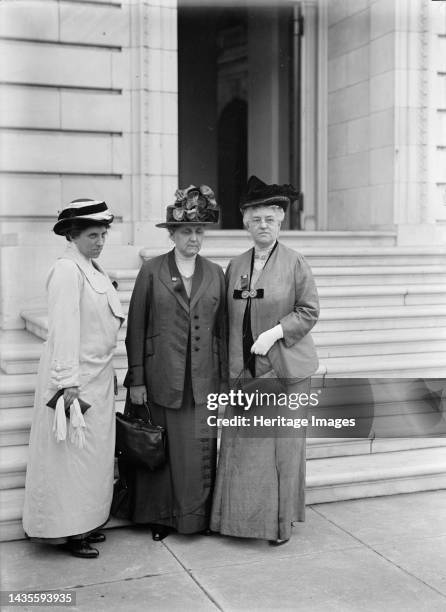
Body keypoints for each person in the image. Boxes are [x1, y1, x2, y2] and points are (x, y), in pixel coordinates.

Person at [211, 176, 320, 545]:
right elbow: (226, 318)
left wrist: (276, 332)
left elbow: (309, 310)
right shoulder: (235, 264)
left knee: (282, 447)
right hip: (244, 372)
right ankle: (237, 521)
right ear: (245, 222)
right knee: (242, 445)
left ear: (280, 223)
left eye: (270, 220)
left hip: (285, 371)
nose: (263, 226)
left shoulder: (295, 263)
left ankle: (279, 523)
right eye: (256, 219)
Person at [120, 184, 226, 540]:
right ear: (173, 234)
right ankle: (161, 517)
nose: (193, 238)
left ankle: (195, 518)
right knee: (160, 452)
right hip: (161, 376)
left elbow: (222, 334)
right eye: (186, 231)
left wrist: (224, 385)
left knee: (197, 453)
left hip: (203, 379)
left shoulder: (216, 273)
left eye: (199, 232)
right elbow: (135, 327)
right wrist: (136, 379)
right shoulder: (152, 271)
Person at [22, 199, 124, 558]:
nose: (99, 241)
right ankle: (67, 530)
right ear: (72, 235)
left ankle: (87, 522)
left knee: (92, 460)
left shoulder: (92, 268)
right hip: (73, 381)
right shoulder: (67, 270)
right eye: (92, 235)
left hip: (97, 377)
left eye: (103, 234)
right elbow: (63, 329)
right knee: (70, 461)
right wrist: (68, 383)